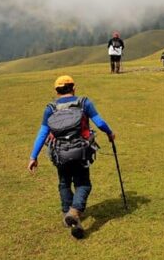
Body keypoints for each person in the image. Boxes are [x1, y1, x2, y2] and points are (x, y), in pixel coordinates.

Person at [27, 75, 116, 239]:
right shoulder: (84, 103)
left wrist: (33, 156)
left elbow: (43, 133)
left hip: (59, 153)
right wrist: (110, 133)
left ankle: (68, 215)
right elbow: (100, 122)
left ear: (56, 91)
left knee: (64, 183)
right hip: (81, 152)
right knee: (83, 184)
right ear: (74, 88)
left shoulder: (51, 108)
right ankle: (74, 212)